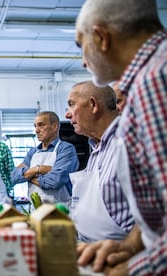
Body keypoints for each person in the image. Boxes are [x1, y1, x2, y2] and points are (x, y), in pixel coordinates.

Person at [75, 0, 167, 275]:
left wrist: (129, 269)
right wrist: (128, 247)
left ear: (102, 37)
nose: (83, 61)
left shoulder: (154, 81)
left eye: (82, 46)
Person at [65, 81, 134, 243]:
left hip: (123, 256)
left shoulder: (128, 141)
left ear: (93, 105)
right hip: (90, 250)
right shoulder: (96, 148)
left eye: (71, 105)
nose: (68, 114)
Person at [11, 111, 79, 207]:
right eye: (35, 126)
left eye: (41, 125)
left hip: (60, 212)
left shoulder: (66, 149)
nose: (36, 130)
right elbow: (13, 177)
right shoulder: (33, 152)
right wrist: (39, 169)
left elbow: (55, 181)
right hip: (35, 212)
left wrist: (29, 177)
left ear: (54, 126)